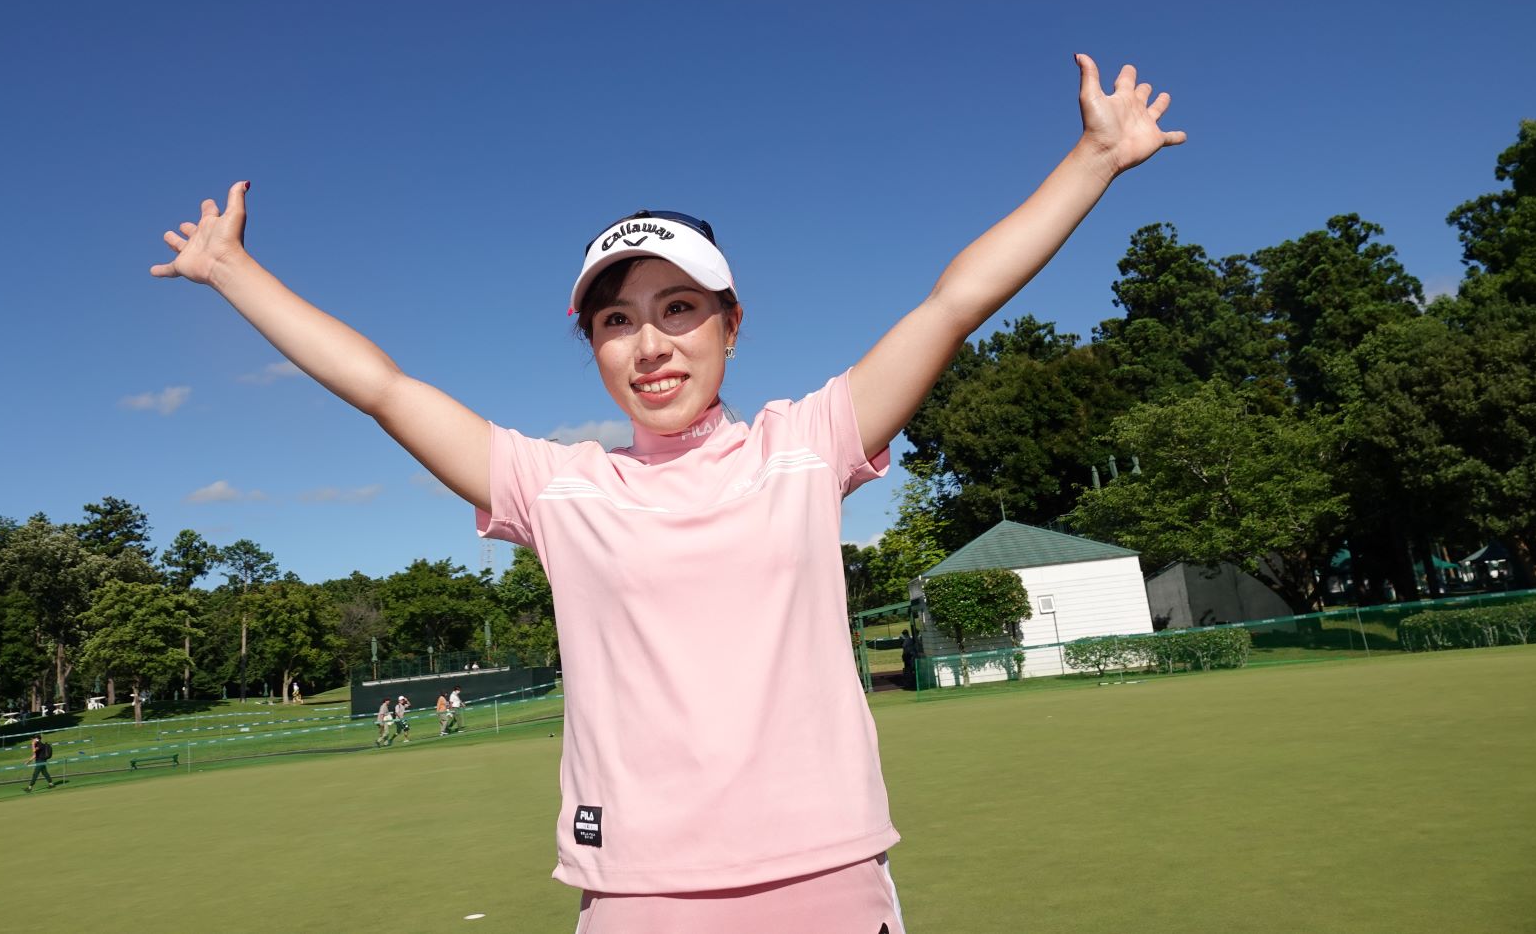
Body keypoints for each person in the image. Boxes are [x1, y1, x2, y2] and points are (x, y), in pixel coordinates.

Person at [152, 55, 1183, 931]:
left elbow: (953, 303)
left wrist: (1093, 160)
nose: (649, 343)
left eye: (678, 307)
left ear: (732, 323)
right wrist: (233, 270)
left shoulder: (805, 445)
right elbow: (384, 388)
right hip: (638, 893)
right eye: (616, 320)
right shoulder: (559, 488)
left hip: (825, 876)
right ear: (594, 346)